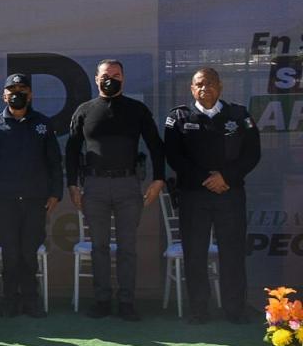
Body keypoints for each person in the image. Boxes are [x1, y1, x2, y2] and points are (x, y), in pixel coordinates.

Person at [66, 59, 166, 321]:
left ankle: (126, 302)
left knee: (127, 247)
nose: (111, 78)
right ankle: (101, 300)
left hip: (128, 185)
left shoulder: (137, 110)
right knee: (99, 246)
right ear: (96, 79)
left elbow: (155, 144)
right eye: (106, 75)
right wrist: (73, 185)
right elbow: (72, 150)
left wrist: (158, 179)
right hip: (95, 186)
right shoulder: (84, 110)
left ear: (124, 78)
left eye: (117, 74)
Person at [164, 67, 261, 325]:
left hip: (230, 194)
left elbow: (252, 154)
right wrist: (206, 180)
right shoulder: (180, 118)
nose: (204, 88)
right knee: (195, 254)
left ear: (220, 86)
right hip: (194, 197)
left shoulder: (239, 115)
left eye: (209, 83)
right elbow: (174, 156)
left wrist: (225, 178)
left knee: (232, 252)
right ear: (191, 89)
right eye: (199, 84)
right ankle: (199, 310)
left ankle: (235, 310)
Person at [0, 74, 62, 318]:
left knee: (29, 251)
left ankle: (31, 301)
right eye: (11, 89)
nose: (16, 92)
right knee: (10, 253)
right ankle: (10, 300)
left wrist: (56, 193)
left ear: (30, 94)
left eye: (22, 88)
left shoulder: (43, 124)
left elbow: (55, 161)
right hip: (5, 202)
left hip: (36, 201)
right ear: (4, 95)